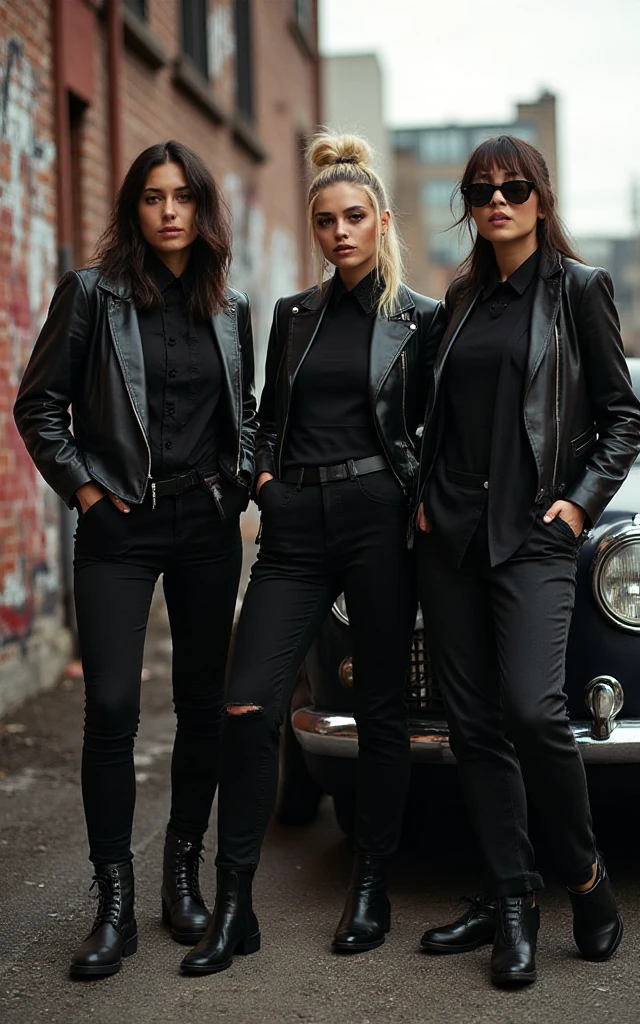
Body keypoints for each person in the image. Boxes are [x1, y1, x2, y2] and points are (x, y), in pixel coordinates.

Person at [180, 132, 446, 975]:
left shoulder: (422, 321)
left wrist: (418, 505)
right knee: (248, 706)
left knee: (381, 713)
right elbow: (264, 413)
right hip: (295, 525)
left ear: (381, 221)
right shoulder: (296, 314)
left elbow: (439, 431)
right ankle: (236, 906)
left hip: (379, 520)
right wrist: (263, 481)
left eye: (354, 217)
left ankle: (371, 884)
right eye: (325, 220)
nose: (339, 232)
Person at [14, 140, 256, 978]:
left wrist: (238, 483)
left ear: (202, 208)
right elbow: (38, 406)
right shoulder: (90, 295)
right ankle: (112, 903)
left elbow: (247, 411)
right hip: (119, 525)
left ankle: (179, 873)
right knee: (111, 705)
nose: (168, 211)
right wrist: (84, 492)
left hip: (205, 524)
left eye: (183, 196)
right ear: (134, 207)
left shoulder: (231, 307)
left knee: (202, 703)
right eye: (153, 197)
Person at [414, 135, 640, 986]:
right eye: (482, 190)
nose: (498, 201)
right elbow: (436, 417)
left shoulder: (579, 290)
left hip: (535, 534)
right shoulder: (462, 297)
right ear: (469, 205)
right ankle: (511, 902)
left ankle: (586, 877)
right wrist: (424, 502)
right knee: (471, 726)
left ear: (541, 199)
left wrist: (578, 504)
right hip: (452, 537)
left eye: (514, 187)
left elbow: (623, 417)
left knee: (533, 712)